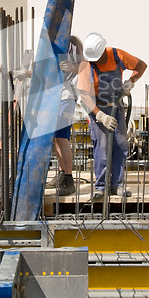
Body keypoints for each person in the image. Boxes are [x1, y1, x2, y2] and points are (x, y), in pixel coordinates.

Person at [77, 33, 147, 201]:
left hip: (117, 107)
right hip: (97, 108)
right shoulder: (86, 64)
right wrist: (100, 116)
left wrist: (130, 83)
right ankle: (101, 186)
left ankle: (118, 185)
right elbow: (84, 96)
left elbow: (141, 66)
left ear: (102, 52)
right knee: (101, 145)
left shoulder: (117, 56)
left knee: (120, 143)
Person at [46, 36, 83, 196]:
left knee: (61, 137)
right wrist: (25, 73)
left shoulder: (72, 42)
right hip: (54, 96)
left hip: (68, 95)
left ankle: (68, 178)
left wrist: (71, 67)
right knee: (55, 137)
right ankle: (62, 173)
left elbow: (83, 67)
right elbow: (44, 71)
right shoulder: (51, 45)